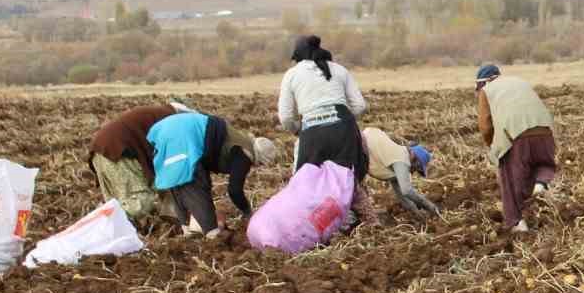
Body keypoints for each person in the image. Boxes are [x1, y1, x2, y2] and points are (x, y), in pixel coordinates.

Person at [277, 35, 372, 217]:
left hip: (312, 133)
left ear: (298, 55)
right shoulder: (340, 70)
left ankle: (315, 222)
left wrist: (298, 129)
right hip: (344, 131)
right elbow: (360, 106)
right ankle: (359, 220)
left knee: (307, 183)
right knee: (348, 181)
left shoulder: (292, 75)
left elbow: (285, 117)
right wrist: (342, 119)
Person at [146, 111, 278, 237]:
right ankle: (212, 234)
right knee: (195, 183)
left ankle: (187, 229)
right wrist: (247, 211)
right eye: (260, 164)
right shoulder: (244, 154)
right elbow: (234, 190)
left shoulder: (240, 139)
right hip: (184, 134)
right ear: (259, 158)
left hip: (167, 129)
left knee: (178, 178)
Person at [476, 64, 557, 233]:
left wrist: (493, 146)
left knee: (509, 180)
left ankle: (516, 224)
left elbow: (485, 126)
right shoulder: (520, 81)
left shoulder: (487, 91)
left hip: (517, 136)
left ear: (483, 83)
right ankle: (541, 183)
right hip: (544, 130)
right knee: (544, 163)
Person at [88, 103, 181, 223]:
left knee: (115, 202)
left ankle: (103, 224)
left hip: (102, 150)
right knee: (140, 202)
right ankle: (99, 222)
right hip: (118, 151)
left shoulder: (159, 114)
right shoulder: (174, 120)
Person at [361, 126, 440, 217]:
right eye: (417, 168)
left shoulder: (397, 158)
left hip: (362, 145)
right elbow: (407, 191)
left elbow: (402, 195)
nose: (413, 172)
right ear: (415, 161)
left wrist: (416, 212)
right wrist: (428, 205)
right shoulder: (402, 160)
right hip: (359, 147)